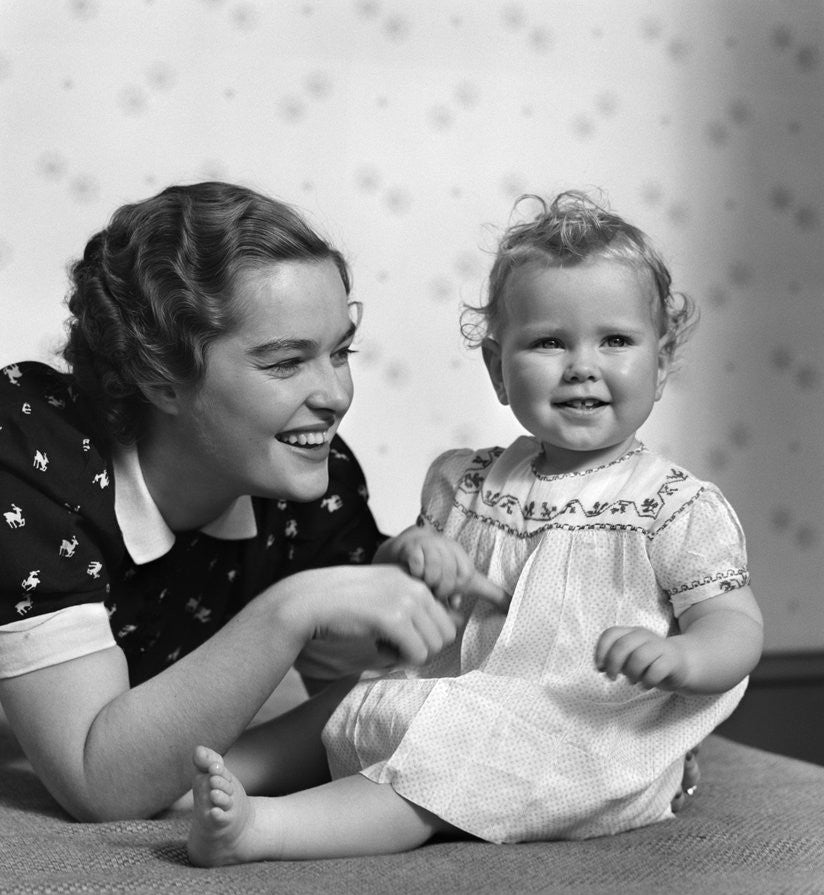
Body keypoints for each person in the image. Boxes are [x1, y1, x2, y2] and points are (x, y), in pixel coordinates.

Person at [187, 190, 760, 866]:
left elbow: (734, 625)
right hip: (461, 688)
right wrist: (413, 552)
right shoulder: (466, 482)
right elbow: (404, 588)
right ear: (497, 369)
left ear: (660, 365)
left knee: (453, 756)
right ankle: (217, 772)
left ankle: (268, 831)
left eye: (615, 340)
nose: (582, 365)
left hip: (578, 732)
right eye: (549, 342)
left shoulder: (671, 507)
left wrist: (685, 659)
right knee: (364, 695)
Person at [0, 181, 508, 823]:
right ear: (160, 375)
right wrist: (297, 606)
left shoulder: (301, 478)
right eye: (285, 363)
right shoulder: (30, 449)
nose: (334, 395)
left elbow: (369, 710)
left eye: (340, 352)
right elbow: (98, 781)